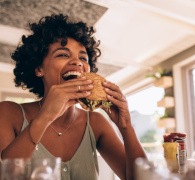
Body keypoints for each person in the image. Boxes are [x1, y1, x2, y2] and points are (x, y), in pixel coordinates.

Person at [0, 14, 147, 180]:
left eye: (83, 58)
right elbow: (6, 175)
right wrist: (46, 116)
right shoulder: (8, 112)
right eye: (63, 54)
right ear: (39, 68)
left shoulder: (96, 122)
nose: (77, 62)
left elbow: (142, 178)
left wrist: (126, 126)